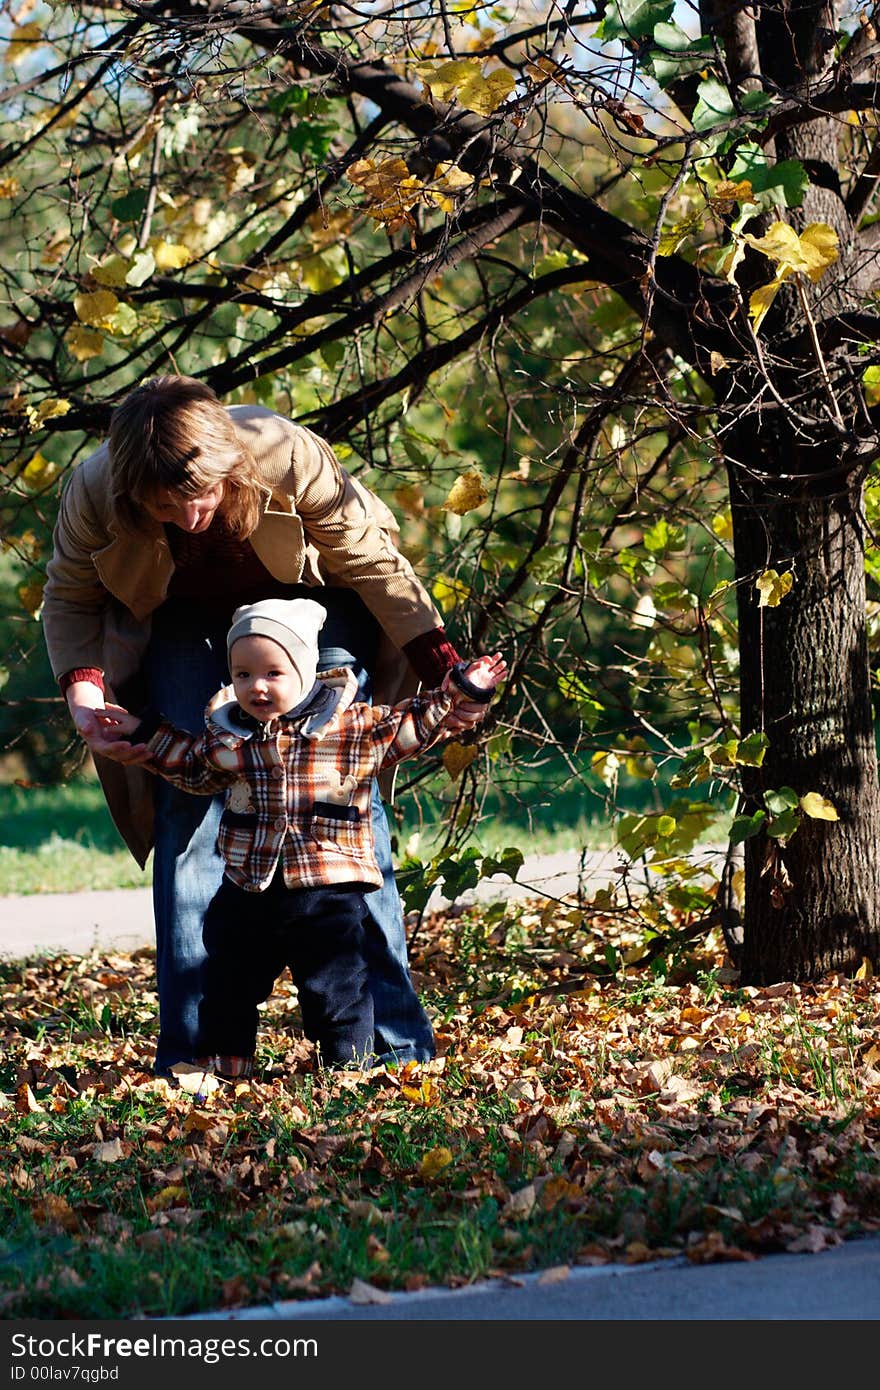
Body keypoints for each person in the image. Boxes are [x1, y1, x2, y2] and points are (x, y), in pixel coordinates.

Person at [42, 375, 485, 1076]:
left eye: (203, 496)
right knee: (186, 809)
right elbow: (67, 598)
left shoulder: (282, 450)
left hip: (314, 605)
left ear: (228, 468)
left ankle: (395, 1048)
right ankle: (194, 1054)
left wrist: (445, 668)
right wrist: (85, 695)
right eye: (167, 507)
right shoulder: (96, 490)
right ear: (135, 494)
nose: (190, 518)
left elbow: (371, 561)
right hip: (184, 623)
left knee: (342, 800)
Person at [97, 597, 506, 1076]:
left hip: (325, 887)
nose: (257, 687)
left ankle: (347, 1068)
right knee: (228, 978)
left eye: (273, 673)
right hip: (248, 884)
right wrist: (145, 734)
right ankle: (221, 1064)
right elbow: (193, 765)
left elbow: (416, 722)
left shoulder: (353, 728)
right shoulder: (233, 735)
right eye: (243, 674)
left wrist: (463, 690)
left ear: (307, 670)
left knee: (335, 985)